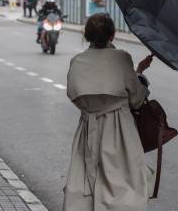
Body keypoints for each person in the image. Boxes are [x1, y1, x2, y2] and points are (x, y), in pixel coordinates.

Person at [64, 13, 155, 211]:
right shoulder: (122, 58)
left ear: (86, 35)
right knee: (123, 184)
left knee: (87, 181)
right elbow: (136, 100)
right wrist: (140, 74)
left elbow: (73, 94)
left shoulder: (77, 61)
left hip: (89, 129)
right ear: (112, 35)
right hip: (120, 131)